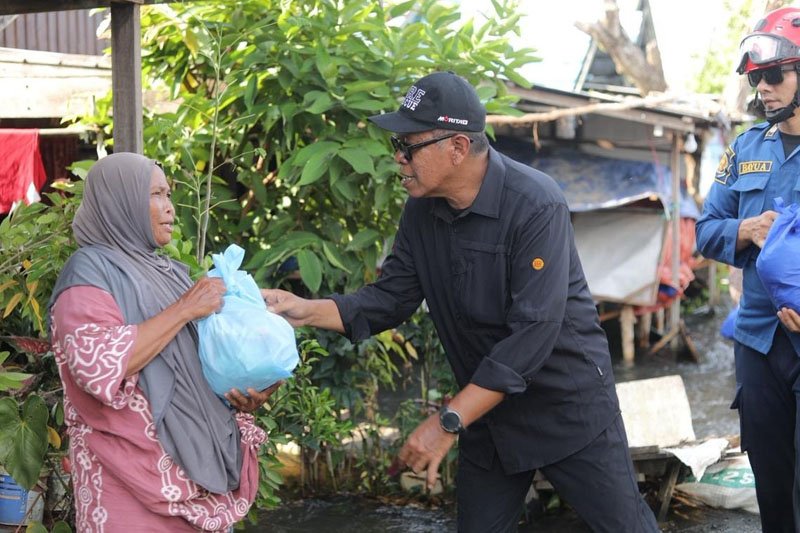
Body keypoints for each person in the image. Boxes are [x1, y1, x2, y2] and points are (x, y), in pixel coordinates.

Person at [262, 71, 659, 532]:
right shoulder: (422, 211)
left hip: (565, 407)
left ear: (456, 147)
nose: (398, 159)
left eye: (408, 147)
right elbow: (389, 299)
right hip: (486, 412)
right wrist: (301, 309)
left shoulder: (535, 204)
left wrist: (446, 422)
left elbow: (532, 334)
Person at [48, 152, 279, 532]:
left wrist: (248, 387)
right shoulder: (89, 271)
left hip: (194, 477)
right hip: (126, 485)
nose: (170, 208)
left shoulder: (169, 271)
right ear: (120, 201)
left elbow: (201, 360)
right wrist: (187, 307)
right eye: (156, 194)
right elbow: (99, 366)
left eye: (169, 195)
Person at [696, 7, 800, 532]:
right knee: (772, 486)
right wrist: (745, 231)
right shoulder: (744, 149)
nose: (763, 88)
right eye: (757, 78)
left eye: (775, 75)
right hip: (759, 344)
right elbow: (704, 229)